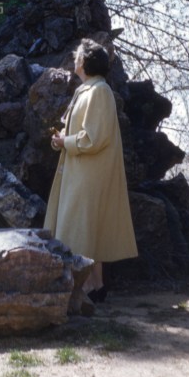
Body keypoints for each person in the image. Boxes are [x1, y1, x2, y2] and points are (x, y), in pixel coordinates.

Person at [44, 38, 138, 307]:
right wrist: (62, 138)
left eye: (77, 56)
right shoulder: (89, 90)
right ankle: (96, 286)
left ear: (84, 62)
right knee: (87, 229)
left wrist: (68, 142)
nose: (74, 59)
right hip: (81, 169)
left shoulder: (99, 92)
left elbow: (94, 138)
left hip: (90, 173)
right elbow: (84, 134)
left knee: (82, 229)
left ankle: (87, 286)